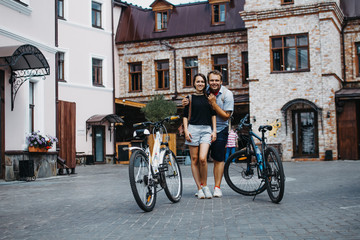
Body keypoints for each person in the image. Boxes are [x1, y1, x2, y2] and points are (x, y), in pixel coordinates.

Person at [183, 70, 234, 198]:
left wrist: (214, 104)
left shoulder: (227, 94)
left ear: (221, 82)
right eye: (211, 80)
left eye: (217, 80)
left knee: (218, 158)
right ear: (208, 82)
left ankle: (217, 187)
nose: (214, 83)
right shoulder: (204, 90)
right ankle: (201, 186)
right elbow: (193, 103)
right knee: (199, 159)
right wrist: (185, 101)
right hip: (200, 128)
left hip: (219, 129)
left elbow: (226, 117)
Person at [183, 73, 217, 199]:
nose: (200, 84)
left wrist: (214, 131)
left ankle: (205, 186)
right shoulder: (189, 98)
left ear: (205, 83)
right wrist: (186, 130)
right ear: (194, 83)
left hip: (206, 130)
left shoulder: (209, 97)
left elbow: (213, 114)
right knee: (194, 159)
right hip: (193, 129)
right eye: (198, 81)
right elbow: (185, 116)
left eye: (202, 82)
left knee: (203, 158)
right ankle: (199, 188)